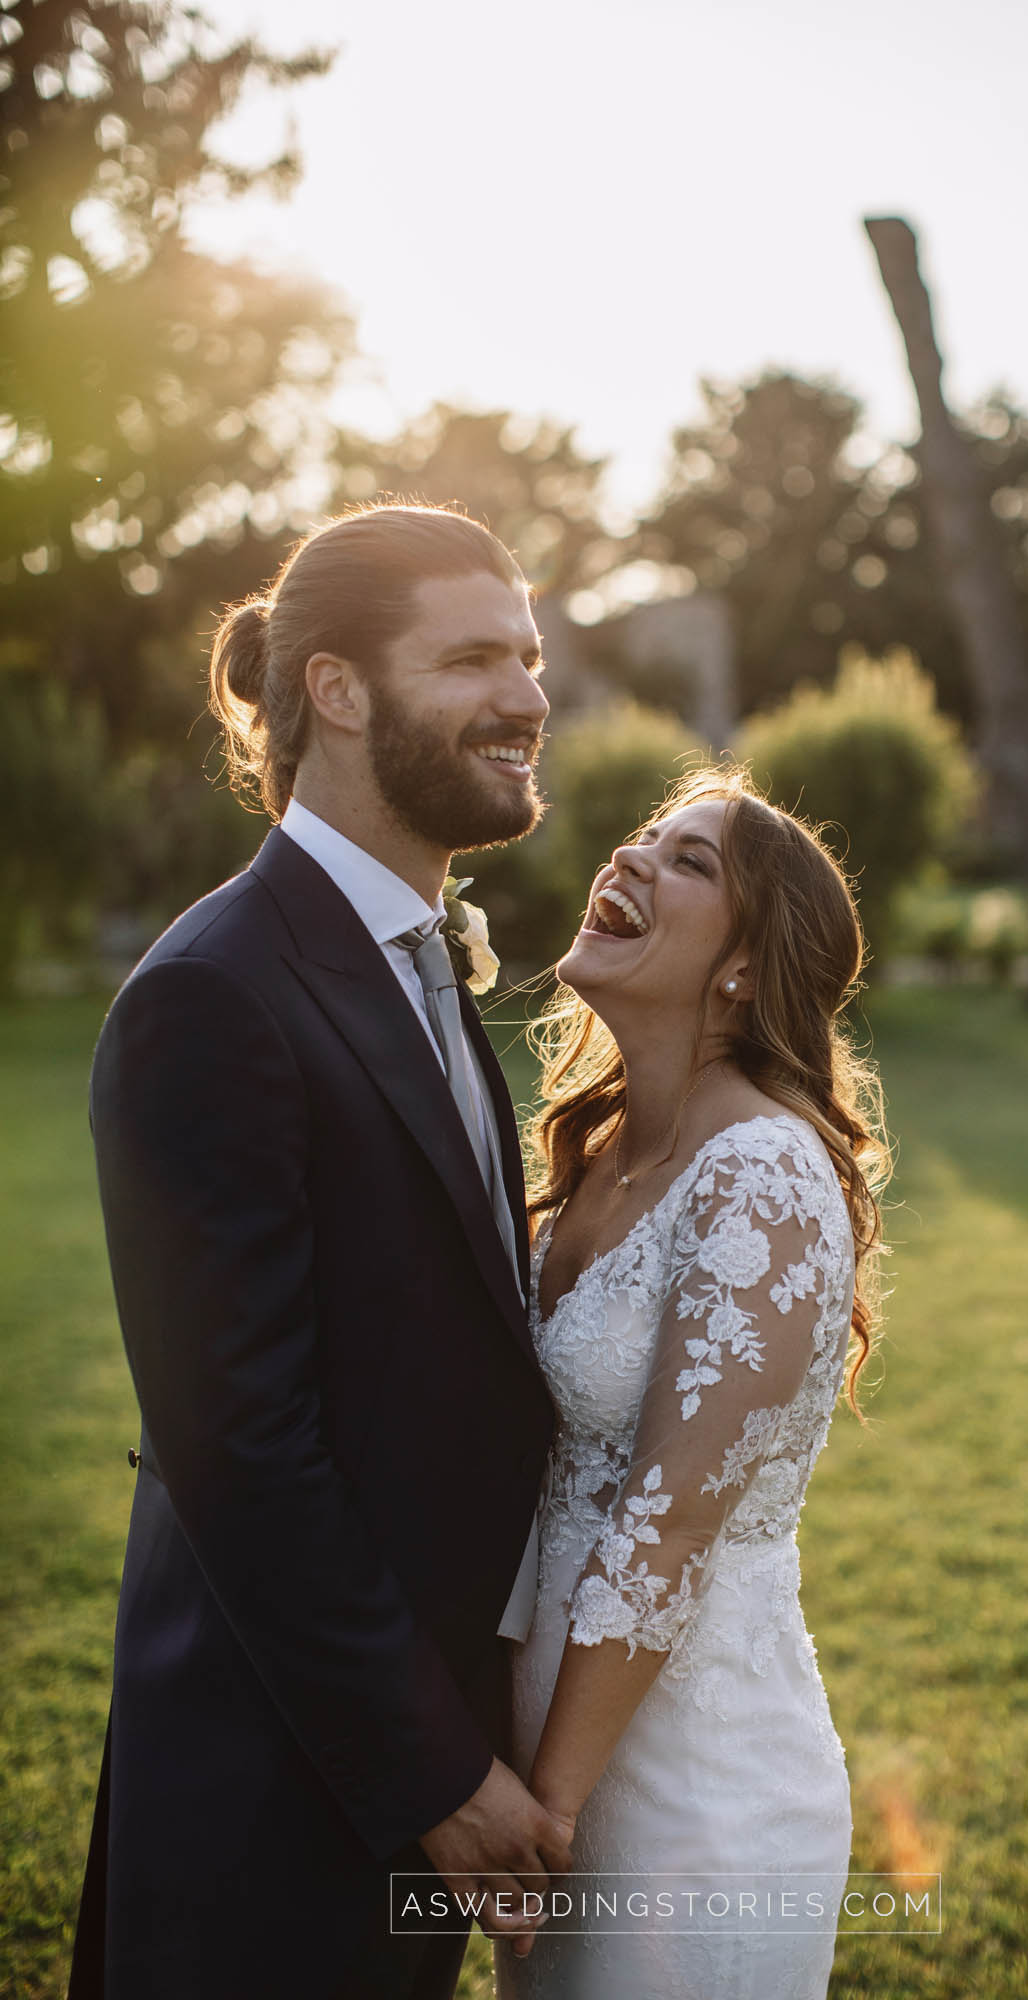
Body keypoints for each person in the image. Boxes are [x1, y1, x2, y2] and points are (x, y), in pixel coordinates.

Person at [67, 503, 572, 2000]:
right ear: (337, 691)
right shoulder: (213, 997)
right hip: (276, 1788)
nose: (529, 696)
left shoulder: (412, 951)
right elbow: (242, 1451)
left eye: (532, 655)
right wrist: (433, 1771)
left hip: (407, 1758)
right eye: (476, 656)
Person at [496, 767, 888, 1998]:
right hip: (551, 1765)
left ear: (745, 969)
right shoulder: (602, 1149)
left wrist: (541, 1819)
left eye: (688, 860)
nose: (628, 859)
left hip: (690, 1803)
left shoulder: (764, 1175)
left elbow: (667, 1524)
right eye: (642, 839)